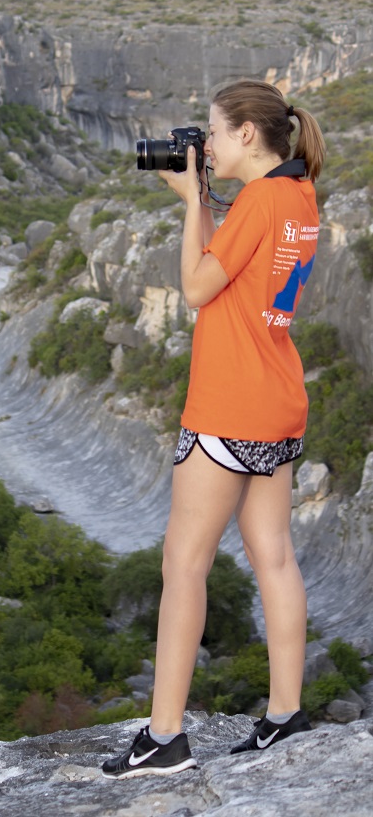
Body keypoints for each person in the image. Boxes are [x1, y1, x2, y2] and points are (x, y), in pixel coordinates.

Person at [102, 79, 326, 780]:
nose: (207, 145)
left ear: (248, 134)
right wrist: (200, 198)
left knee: (184, 563)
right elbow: (234, 270)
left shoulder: (258, 201)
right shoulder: (299, 194)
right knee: (275, 557)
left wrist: (191, 204)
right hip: (278, 399)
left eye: (215, 132)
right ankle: (284, 716)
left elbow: (199, 287)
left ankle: (163, 737)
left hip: (229, 405)